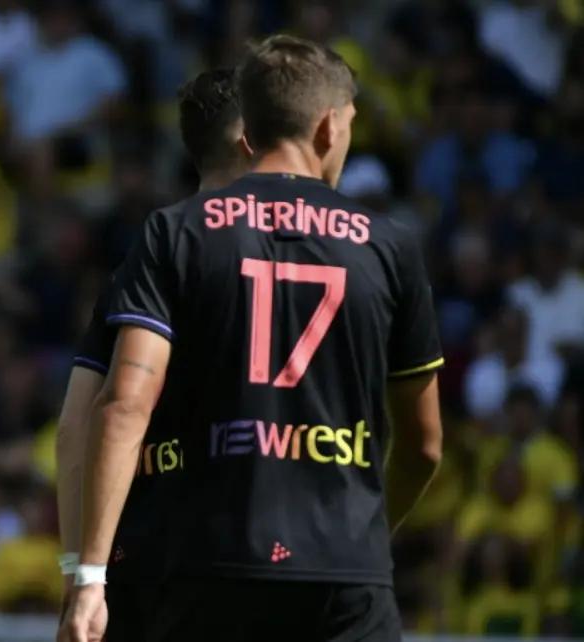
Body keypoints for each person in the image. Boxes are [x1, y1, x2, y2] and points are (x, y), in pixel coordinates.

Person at [61, 35, 444, 642]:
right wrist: (365, 539)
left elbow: (124, 404)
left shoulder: (176, 232)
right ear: (326, 128)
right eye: (348, 122)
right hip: (345, 574)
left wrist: (88, 576)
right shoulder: (389, 246)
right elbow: (424, 446)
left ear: (251, 129)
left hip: (206, 566)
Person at [54, 68, 251, 640]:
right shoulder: (303, 259)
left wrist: (78, 574)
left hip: (141, 559)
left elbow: (74, 427)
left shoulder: (147, 257)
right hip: (258, 554)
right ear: (252, 138)